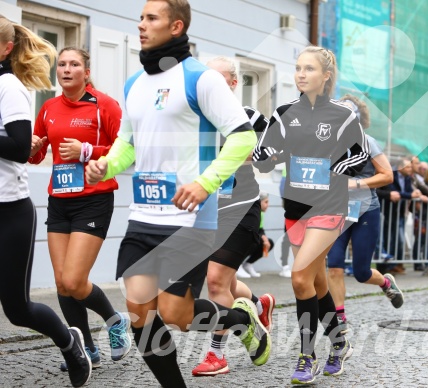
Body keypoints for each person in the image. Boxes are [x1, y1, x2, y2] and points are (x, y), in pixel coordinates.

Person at [85, 2, 270, 387]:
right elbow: (128, 143)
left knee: (175, 315)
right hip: (143, 214)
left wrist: (205, 183)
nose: (141, 25)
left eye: (151, 18)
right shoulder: (134, 82)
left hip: (190, 217)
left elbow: (243, 136)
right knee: (139, 313)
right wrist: (108, 164)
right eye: (140, 17)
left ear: (176, 26)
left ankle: (241, 318)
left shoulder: (201, 79)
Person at [253, 45, 371, 384]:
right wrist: (263, 154)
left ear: (326, 76)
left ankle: (307, 356)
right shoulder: (284, 113)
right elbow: (269, 156)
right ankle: (339, 341)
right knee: (317, 284)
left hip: (328, 207)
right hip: (295, 208)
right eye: (298, 68)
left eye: (309, 69)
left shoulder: (342, 114)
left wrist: (335, 168)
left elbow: (359, 152)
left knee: (300, 278)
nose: (301, 74)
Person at [0, 15, 91, 387]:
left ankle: (70, 343)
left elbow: (21, 148)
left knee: (18, 309)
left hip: (10, 212)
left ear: (6, 48)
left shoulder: (9, 86)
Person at [28, 47, 131, 371]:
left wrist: (87, 150)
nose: (66, 69)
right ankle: (86, 349)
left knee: (74, 281)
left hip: (94, 199)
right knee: (62, 283)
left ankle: (114, 321)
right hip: (59, 199)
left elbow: (127, 148)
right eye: (62, 64)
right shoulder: (48, 108)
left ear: (86, 72)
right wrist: (32, 147)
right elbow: (35, 154)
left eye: (74, 64)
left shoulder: (105, 105)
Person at [190, 56, 275, 377]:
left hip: (240, 209)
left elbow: (268, 162)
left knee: (214, 281)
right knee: (224, 280)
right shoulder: (197, 118)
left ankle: (216, 355)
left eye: (218, 78)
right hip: (205, 209)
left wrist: (255, 150)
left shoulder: (251, 117)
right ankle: (258, 303)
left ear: (234, 83)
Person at [326, 94, 403, 334]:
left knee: (361, 272)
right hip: (336, 211)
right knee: (335, 266)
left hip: (365, 212)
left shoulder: (368, 142)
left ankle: (385, 282)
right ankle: (339, 316)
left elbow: (388, 175)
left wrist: (356, 184)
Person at [377, 157, 422, 274]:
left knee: (399, 240)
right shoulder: (392, 176)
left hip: (400, 212)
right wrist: (410, 195)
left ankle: (394, 265)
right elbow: (393, 191)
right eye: (407, 167)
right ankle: (385, 267)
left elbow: (406, 192)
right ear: (399, 168)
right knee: (388, 239)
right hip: (387, 212)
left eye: (410, 167)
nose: (410, 169)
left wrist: (412, 194)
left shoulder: (407, 178)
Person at [238, 191, 275, 278]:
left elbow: (260, 229)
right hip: (240, 239)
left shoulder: (261, 213)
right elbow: (251, 230)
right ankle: (237, 265)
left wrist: (265, 240)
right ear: (259, 202)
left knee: (269, 243)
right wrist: (263, 239)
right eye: (266, 202)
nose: (268, 205)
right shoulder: (253, 212)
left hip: (250, 236)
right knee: (254, 241)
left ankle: (248, 264)